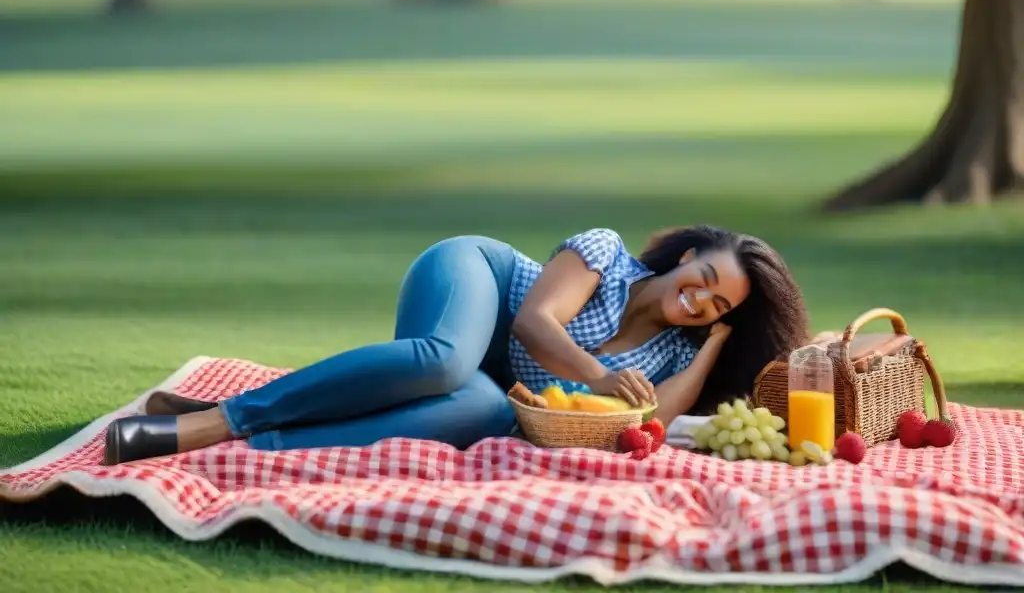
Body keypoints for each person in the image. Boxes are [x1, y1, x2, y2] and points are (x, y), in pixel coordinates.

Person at [104, 225, 810, 465]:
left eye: (718, 305)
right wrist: (597, 375)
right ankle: (209, 425)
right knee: (444, 360)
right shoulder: (608, 253)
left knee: (481, 411)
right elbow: (535, 324)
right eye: (706, 280)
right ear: (686, 254)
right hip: (474, 278)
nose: (701, 300)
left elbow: (649, 418)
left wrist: (717, 342)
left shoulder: (677, 353)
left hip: (495, 382)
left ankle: (247, 443)